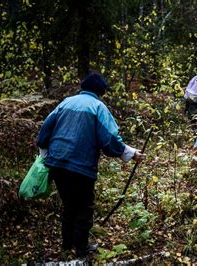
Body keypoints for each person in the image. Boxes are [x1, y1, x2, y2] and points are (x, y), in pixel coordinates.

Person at [36, 72, 145, 257]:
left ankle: (66, 246)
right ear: (101, 92)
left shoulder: (65, 103)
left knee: (69, 205)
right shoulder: (98, 107)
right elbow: (109, 139)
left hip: (57, 163)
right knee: (84, 207)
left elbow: (44, 130)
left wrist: (45, 153)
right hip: (81, 166)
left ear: (83, 87)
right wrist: (130, 153)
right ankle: (81, 250)